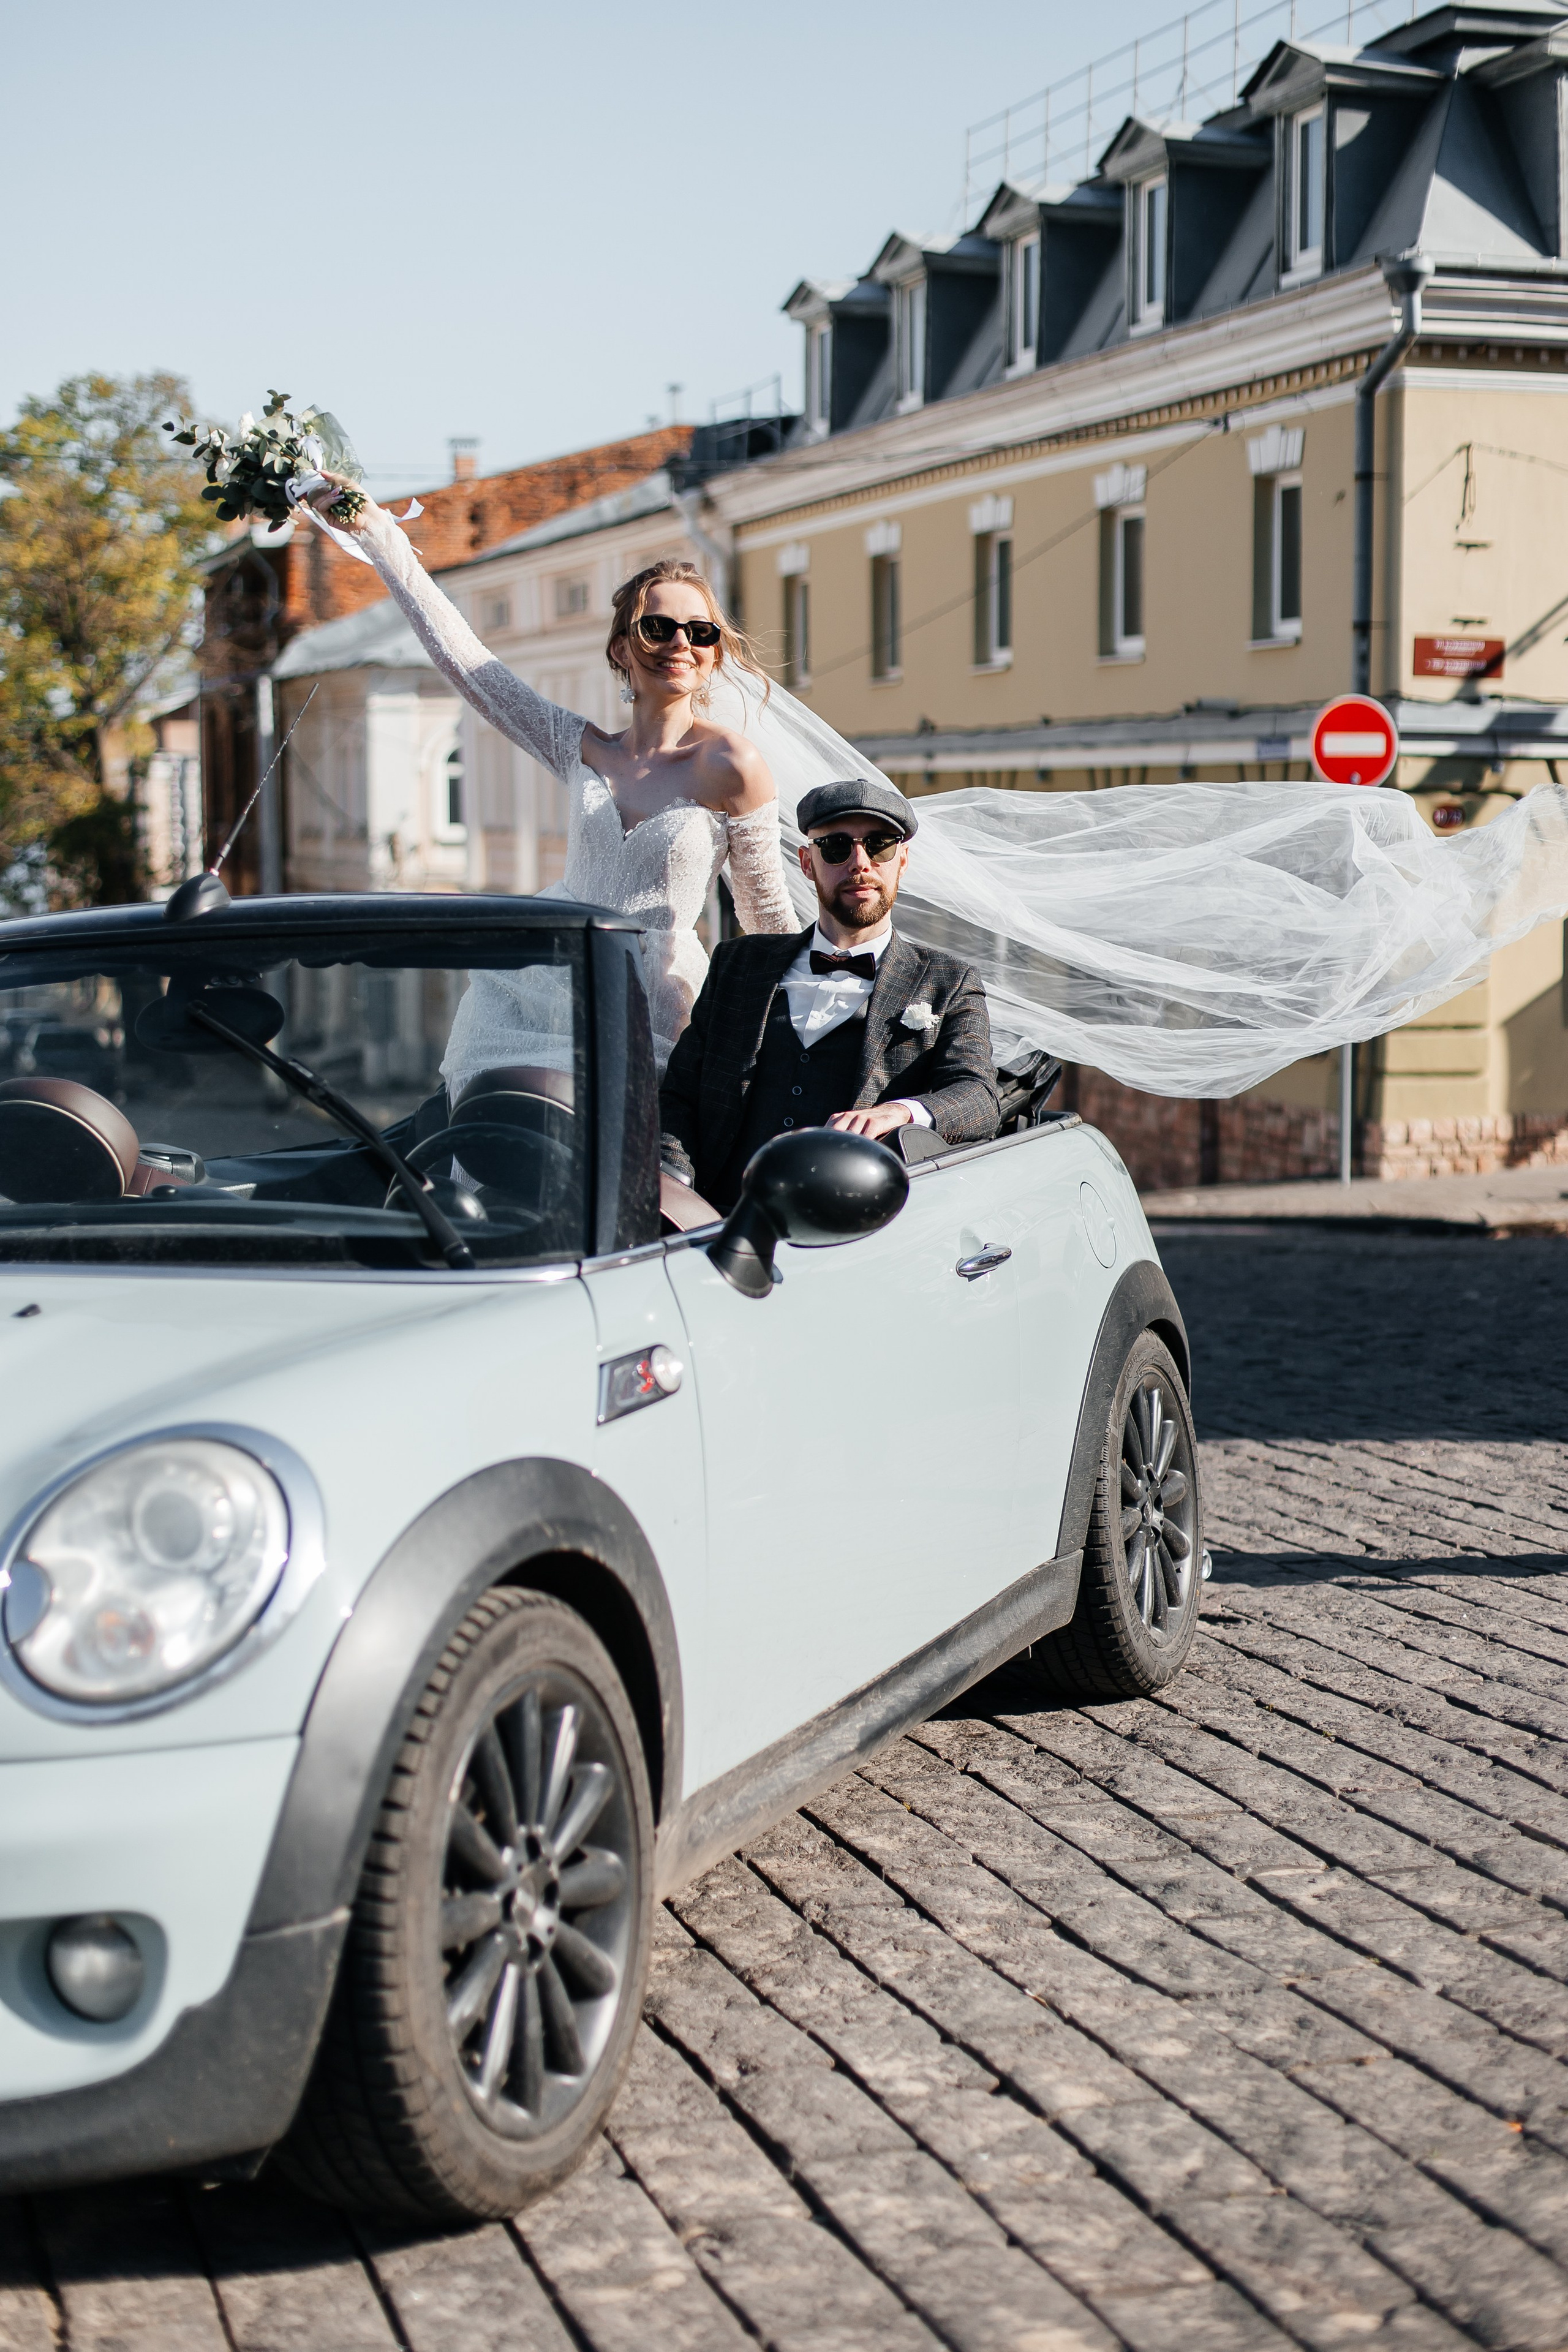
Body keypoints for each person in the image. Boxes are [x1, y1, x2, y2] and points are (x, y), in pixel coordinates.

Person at [306, 481, 797, 1090]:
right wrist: (379, 535)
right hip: (540, 977)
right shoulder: (581, 747)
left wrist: (800, 1027)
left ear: (715, 655)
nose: (680, 643)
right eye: (660, 627)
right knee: (500, 1133)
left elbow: (765, 913)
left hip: (652, 1000)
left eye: (700, 633)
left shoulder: (731, 764)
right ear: (621, 647)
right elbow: (469, 666)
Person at [660, 778, 999, 1214]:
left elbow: (978, 1097)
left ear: (903, 860)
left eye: (879, 846)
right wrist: (675, 1185)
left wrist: (898, 1113)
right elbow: (679, 1095)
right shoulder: (738, 964)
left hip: (856, 1231)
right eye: (837, 847)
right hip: (720, 1224)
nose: (860, 863)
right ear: (806, 862)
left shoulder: (948, 981)